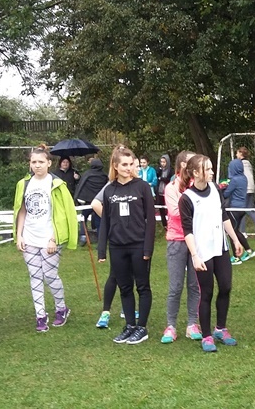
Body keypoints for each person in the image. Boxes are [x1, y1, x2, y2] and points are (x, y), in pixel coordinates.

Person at [179, 154, 244, 352]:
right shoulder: (187, 198)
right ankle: (206, 336)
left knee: (225, 287)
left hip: (220, 248)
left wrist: (235, 239)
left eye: (211, 168)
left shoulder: (215, 189)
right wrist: (195, 255)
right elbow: (187, 231)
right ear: (195, 172)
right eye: (207, 169)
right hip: (202, 252)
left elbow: (223, 216)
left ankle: (220, 329)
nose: (212, 172)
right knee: (206, 292)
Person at [13, 145, 77, 332]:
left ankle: (61, 308)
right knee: (35, 277)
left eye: (41, 162)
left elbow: (63, 214)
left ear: (49, 163)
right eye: (34, 162)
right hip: (29, 238)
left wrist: (53, 239)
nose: (37, 165)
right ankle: (40, 316)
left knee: (50, 276)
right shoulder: (23, 184)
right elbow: (21, 210)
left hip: (50, 239)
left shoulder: (57, 185)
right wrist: (19, 235)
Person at [97, 146, 156, 345]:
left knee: (142, 286)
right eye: (124, 164)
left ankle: (141, 328)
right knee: (124, 287)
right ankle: (130, 325)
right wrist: (102, 249)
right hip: (117, 247)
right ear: (115, 165)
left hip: (139, 245)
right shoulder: (109, 190)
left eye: (131, 164)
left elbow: (151, 220)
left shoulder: (142, 187)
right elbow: (105, 221)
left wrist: (148, 248)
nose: (128, 168)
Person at [161, 151, 203, 343]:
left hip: (197, 241)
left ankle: (192, 323)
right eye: (191, 162)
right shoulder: (171, 188)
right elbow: (176, 213)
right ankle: (171, 326)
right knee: (176, 286)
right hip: (177, 240)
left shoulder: (198, 186)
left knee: (195, 284)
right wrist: (196, 209)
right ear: (183, 165)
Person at [224, 158, 255, 264]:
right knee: (236, 231)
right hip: (242, 208)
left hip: (234, 209)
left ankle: (236, 257)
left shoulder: (234, 180)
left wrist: (222, 187)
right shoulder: (244, 178)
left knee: (232, 232)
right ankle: (249, 251)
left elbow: (226, 194)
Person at [73, 156, 109, 246]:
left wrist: (76, 198)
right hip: (99, 202)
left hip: (88, 202)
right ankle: (101, 240)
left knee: (83, 218)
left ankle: (83, 236)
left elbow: (81, 185)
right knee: (99, 221)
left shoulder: (87, 174)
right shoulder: (104, 175)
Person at [237, 146, 255, 234]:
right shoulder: (248, 163)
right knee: (249, 209)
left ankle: (242, 231)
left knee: (242, 209)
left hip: (244, 188)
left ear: (241, 153)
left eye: (237, 153)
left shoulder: (240, 164)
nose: (236, 155)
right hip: (251, 188)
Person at [156, 154, 173, 229]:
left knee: (169, 208)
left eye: (164, 162)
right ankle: (164, 224)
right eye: (161, 162)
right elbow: (157, 178)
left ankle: (170, 223)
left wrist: (161, 178)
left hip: (167, 192)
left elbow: (169, 180)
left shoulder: (170, 171)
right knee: (161, 208)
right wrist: (160, 175)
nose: (162, 164)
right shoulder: (160, 170)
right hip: (160, 191)